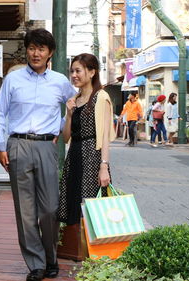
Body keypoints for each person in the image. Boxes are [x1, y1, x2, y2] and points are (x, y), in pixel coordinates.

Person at [0, 28, 76, 281]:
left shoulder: (60, 81)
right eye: (31, 48)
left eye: (41, 49)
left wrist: (62, 126)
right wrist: (0, 145)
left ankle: (50, 257)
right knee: (25, 210)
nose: (35, 53)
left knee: (49, 208)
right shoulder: (13, 80)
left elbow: (76, 106)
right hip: (18, 145)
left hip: (47, 147)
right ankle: (36, 264)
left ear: (50, 53)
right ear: (26, 50)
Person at [57, 53, 116, 226]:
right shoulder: (74, 100)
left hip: (92, 157)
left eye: (78, 71)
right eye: (72, 71)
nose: (74, 75)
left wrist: (104, 167)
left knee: (92, 205)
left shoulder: (101, 97)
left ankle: (93, 249)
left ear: (92, 72)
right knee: (73, 202)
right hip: (74, 155)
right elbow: (66, 137)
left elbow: (104, 136)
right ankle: (76, 248)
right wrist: (68, 115)